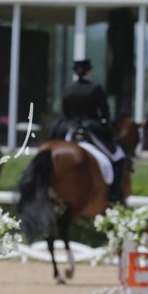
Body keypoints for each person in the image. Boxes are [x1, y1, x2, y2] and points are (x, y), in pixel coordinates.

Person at [50, 59, 126, 204]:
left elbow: (65, 112)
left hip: (69, 126)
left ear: (74, 72)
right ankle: (114, 196)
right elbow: (105, 113)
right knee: (118, 157)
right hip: (91, 127)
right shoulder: (96, 88)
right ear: (89, 72)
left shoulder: (68, 88)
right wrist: (106, 124)